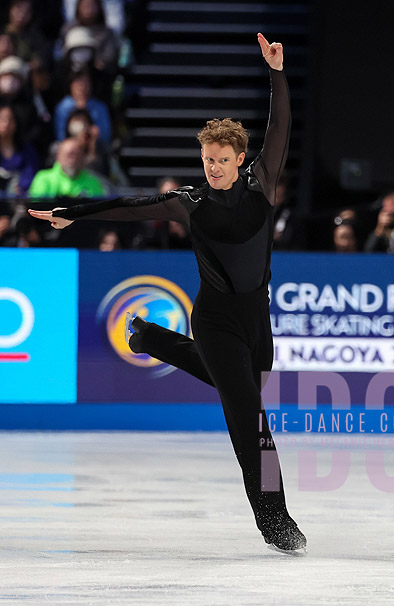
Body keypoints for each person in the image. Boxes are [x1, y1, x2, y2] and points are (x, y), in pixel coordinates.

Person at [28, 34, 306, 555]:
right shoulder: (190, 202)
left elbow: (281, 126)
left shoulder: (263, 182)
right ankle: (276, 521)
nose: (212, 167)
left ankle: (151, 338)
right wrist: (74, 214)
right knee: (251, 423)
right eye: (206, 159)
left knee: (241, 389)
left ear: (240, 158)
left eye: (221, 159)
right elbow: (131, 206)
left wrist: (276, 72)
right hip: (215, 320)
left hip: (257, 320)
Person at [28, 136, 105, 197]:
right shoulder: (43, 179)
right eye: (70, 155)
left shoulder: (93, 182)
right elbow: (37, 207)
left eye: (78, 155)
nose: (74, 160)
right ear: (58, 156)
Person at [54, 68, 112, 144]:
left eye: (85, 82)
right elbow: (60, 137)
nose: (82, 87)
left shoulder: (100, 107)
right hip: (71, 147)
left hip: (94, 146)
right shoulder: (63, 108)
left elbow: (106, 137)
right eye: (78, 82)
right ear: (71, 85)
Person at [0, 104, 40, 194]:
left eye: (10, 119)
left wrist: (21, 188)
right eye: (2, 119)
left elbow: (30, 174)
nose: (6, 123)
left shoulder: (26, 149)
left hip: (19, 197)